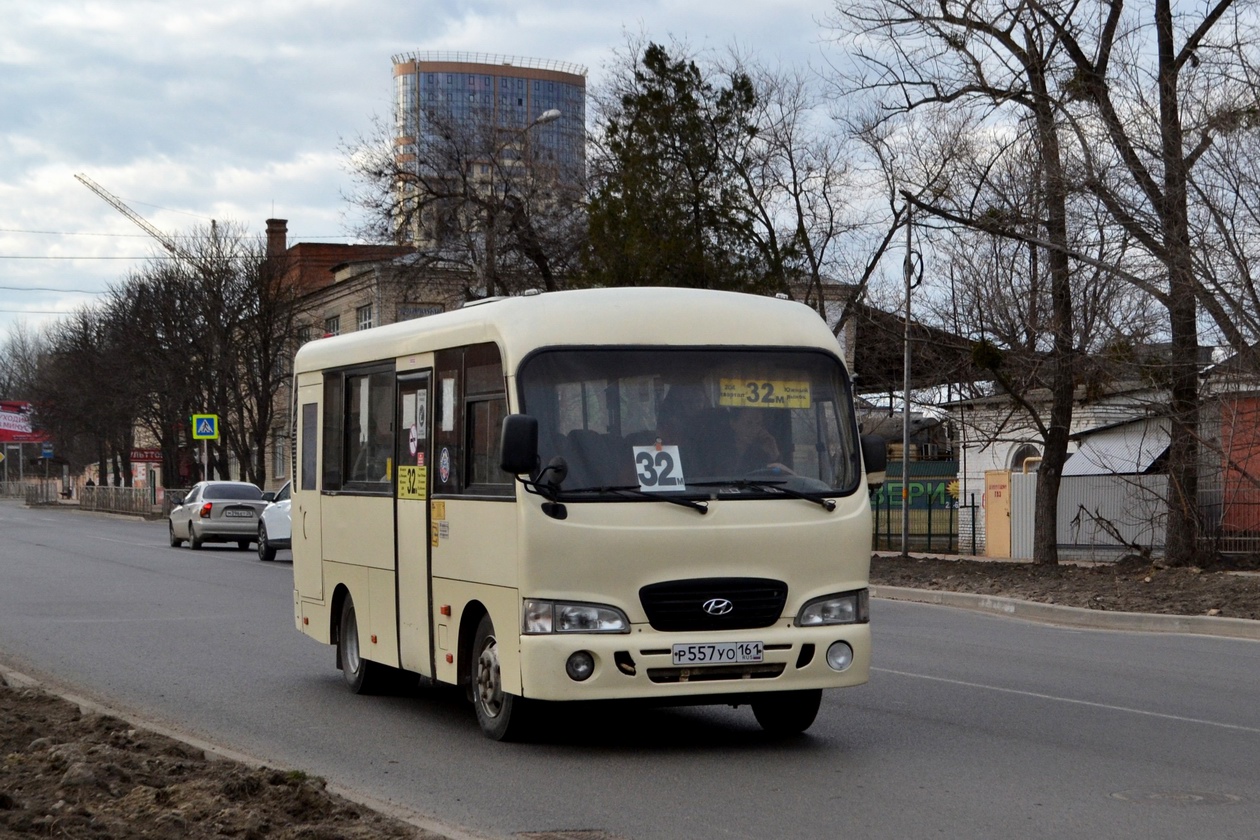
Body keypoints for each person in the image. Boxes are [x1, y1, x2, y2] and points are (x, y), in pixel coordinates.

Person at [729, 408, 790, 474]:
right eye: (749, 423)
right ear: (733, 424)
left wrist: (774, 455)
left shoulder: (762, 455)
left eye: (758, 424)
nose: (755, 430)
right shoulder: (720, 452)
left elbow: (783, 477)